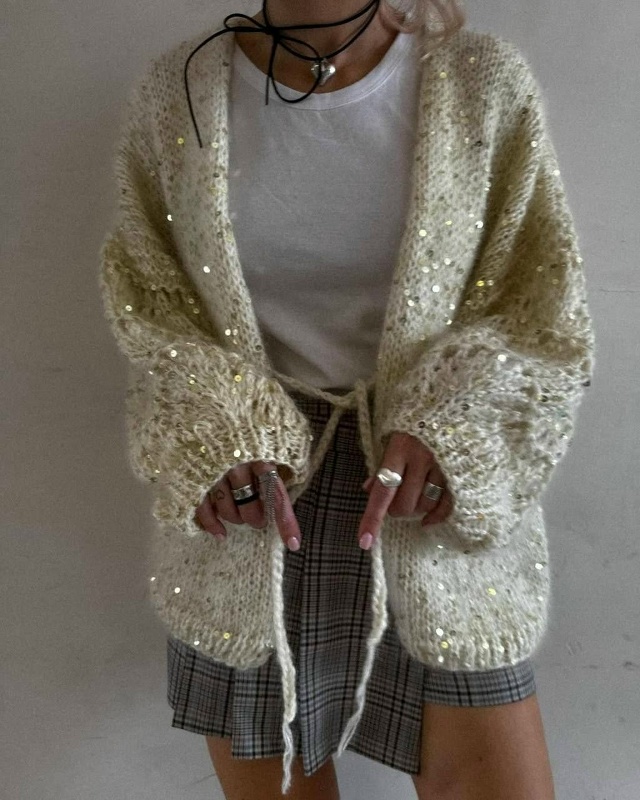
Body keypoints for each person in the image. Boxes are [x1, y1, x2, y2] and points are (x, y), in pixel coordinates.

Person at [98, 0, 595, 797]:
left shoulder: (479, 82)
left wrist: (453, 425)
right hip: (254, 514)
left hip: (429, 507)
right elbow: (153, 303)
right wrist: (213, 428)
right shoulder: (179, 93)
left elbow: (539, 308)